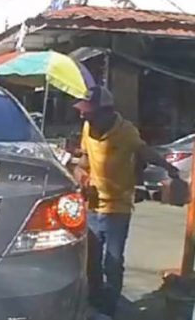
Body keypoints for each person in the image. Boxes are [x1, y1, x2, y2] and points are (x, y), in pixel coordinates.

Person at [73, 86, 179, 320]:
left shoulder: (126, 132)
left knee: (112, 261)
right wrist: (80, 176)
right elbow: (84, 161)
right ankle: (95, 301)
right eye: (83, 111)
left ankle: (110, 308)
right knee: (91, 261)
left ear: (106, 112)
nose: (83, 115)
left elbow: (146, 153)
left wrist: (170, 169)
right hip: (92, 204)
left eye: (89, 111)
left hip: (117, 208)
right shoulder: (88, 127)